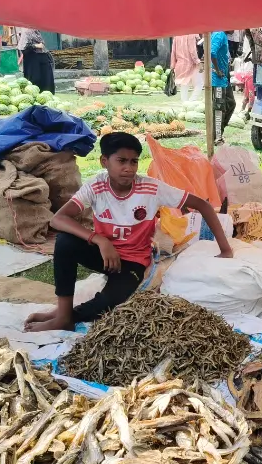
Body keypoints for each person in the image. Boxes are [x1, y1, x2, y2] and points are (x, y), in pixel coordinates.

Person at [24, 132, 233, 333]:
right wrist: (99, 241)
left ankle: (67, 316)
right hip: (104, 255)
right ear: (104, 162)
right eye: (121, 161)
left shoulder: (151, 189)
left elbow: (203, 206)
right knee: (65, 242)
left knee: (106, 305)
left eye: (134, 161)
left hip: (132, 263)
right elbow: (58, 219)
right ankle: (62, 314)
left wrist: (225, 249)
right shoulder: (96, 186)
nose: (128, 168)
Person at [210, 29, 235, 144]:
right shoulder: (219, 34)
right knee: (219, 108)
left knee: (231, 103)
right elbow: (212, 52)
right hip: (218, 80)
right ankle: (217, 137)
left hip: (224, 80)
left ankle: (217, 131)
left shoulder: (223, 35)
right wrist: (218, 70)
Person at [18, 27, 55, 93]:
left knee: (47, 81)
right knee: (35, 82)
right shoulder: (27, 32)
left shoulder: (36, 31)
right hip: (33, 62)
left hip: (43, 59)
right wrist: (35, 46)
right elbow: (24, 48)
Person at [171, 34, 202, 103]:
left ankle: (185, 103)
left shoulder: (177, 36)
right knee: (199, 84)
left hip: (180, 64)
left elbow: (173, 52)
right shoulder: (191, 34)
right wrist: (198, 62)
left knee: (184, 85)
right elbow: (192, 51)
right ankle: (191, 101)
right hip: (191, 64)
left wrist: (173, 65)